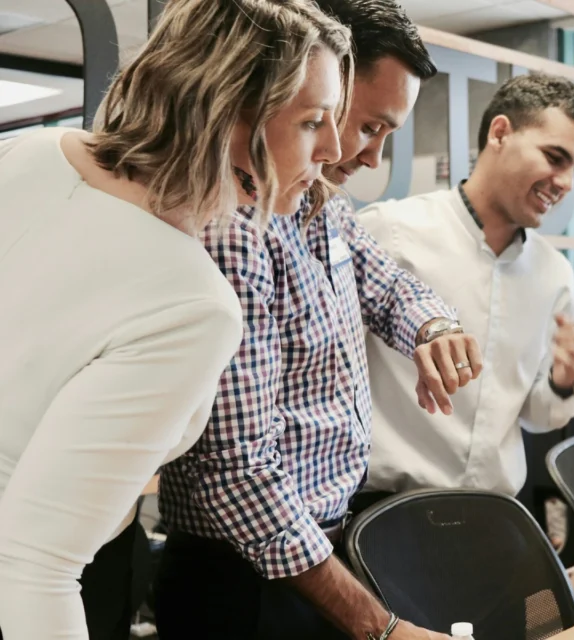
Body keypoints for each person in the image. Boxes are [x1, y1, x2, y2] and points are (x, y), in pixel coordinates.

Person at [0, 0, 352, 638]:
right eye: (313, 122)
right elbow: (31, 566)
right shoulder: (192, 304)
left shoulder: (30, 153)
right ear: (227, 110)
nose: (333, 147)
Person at [154, 2, 475, 639]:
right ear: (319, 83)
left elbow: (386, 284)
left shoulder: (318, 202)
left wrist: (433, 328)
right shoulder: (233, 226)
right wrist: (378, 626)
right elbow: (237, 471)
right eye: (367, 126)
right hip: (247, 579)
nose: (364, 155)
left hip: (316, 549)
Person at [352, 73, 574, 509]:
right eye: (554, 157)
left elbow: (540, 416)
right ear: (499, 133)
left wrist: (563, 381)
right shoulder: (389, 232)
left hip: (493, 515)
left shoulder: (554, 273)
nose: (565, 183)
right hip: (384, 510)